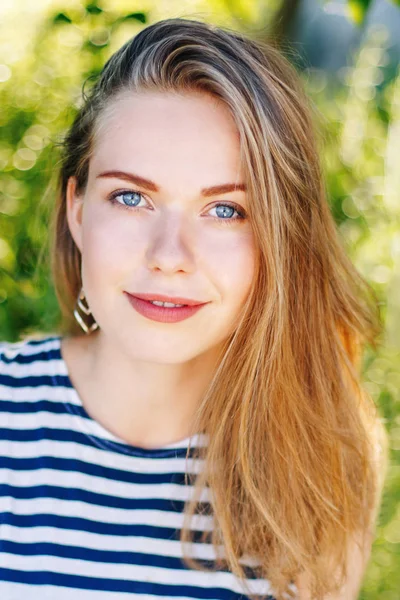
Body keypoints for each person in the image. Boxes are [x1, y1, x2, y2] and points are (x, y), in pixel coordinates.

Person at [0, 17, 388, 600]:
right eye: (131, 198)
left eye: (227, 210)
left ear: (281, 238)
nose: (169, 257)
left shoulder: (323, 460)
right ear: (78, 210)